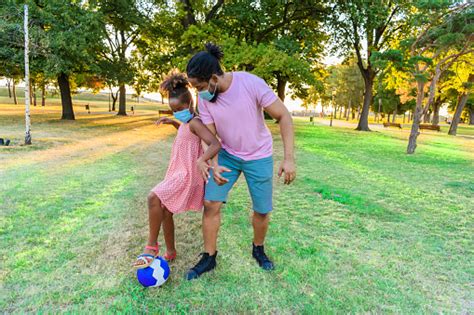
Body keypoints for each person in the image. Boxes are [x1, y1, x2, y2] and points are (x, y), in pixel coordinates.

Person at [184, 43, 296, 280]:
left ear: (214, 78)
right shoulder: (205, 100)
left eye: (201, 87)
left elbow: (283, 115)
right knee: (211, 203)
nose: (198, 93)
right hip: (227, 155)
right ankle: (209, 257)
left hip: (259, 155)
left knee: (262, 211)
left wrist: (289, 158)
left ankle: (258, 249)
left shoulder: (250, 83)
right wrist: (213, 163)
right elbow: (210, 136)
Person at [132, 72, 221, 269]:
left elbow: (215, 144)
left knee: (153, 198)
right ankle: (171, 251)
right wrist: (174, 123)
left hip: (188, 175)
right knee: (164, 210)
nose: (177, 112)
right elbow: (187, 136)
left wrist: (202, 160)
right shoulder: (187, 123)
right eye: (173, 110)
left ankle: (151, 246)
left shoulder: (196, 122)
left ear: (190, 103)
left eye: (180, 109)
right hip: (177, 172)